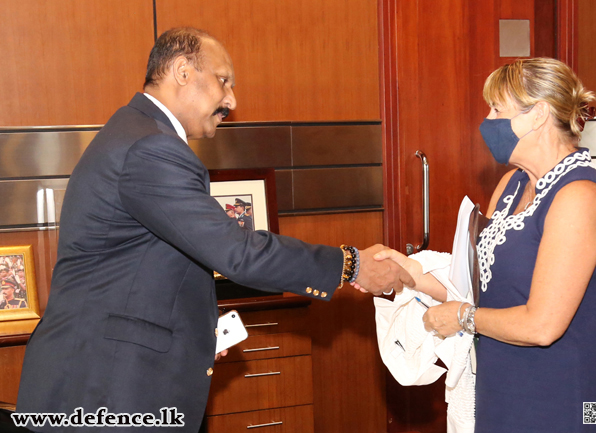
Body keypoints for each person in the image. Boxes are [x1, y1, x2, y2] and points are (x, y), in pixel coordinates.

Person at [16, 27, 412, 433]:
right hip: (106, 390)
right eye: (224, 81)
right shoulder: (151, 147)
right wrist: (350, 264)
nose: (232, 100)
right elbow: (238, 253)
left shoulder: (135, 133)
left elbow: (142, 265)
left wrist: (193, 329)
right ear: (182, 72)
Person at [372, 58, 596, 432]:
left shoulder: (579, 198)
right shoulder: (511, 185)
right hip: (502, 385)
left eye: (497, 109)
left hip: (570, 395)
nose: (487, 121)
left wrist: (460, 318)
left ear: (537, 115)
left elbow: (542, 325)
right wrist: (410, 274)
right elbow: (480, 289)